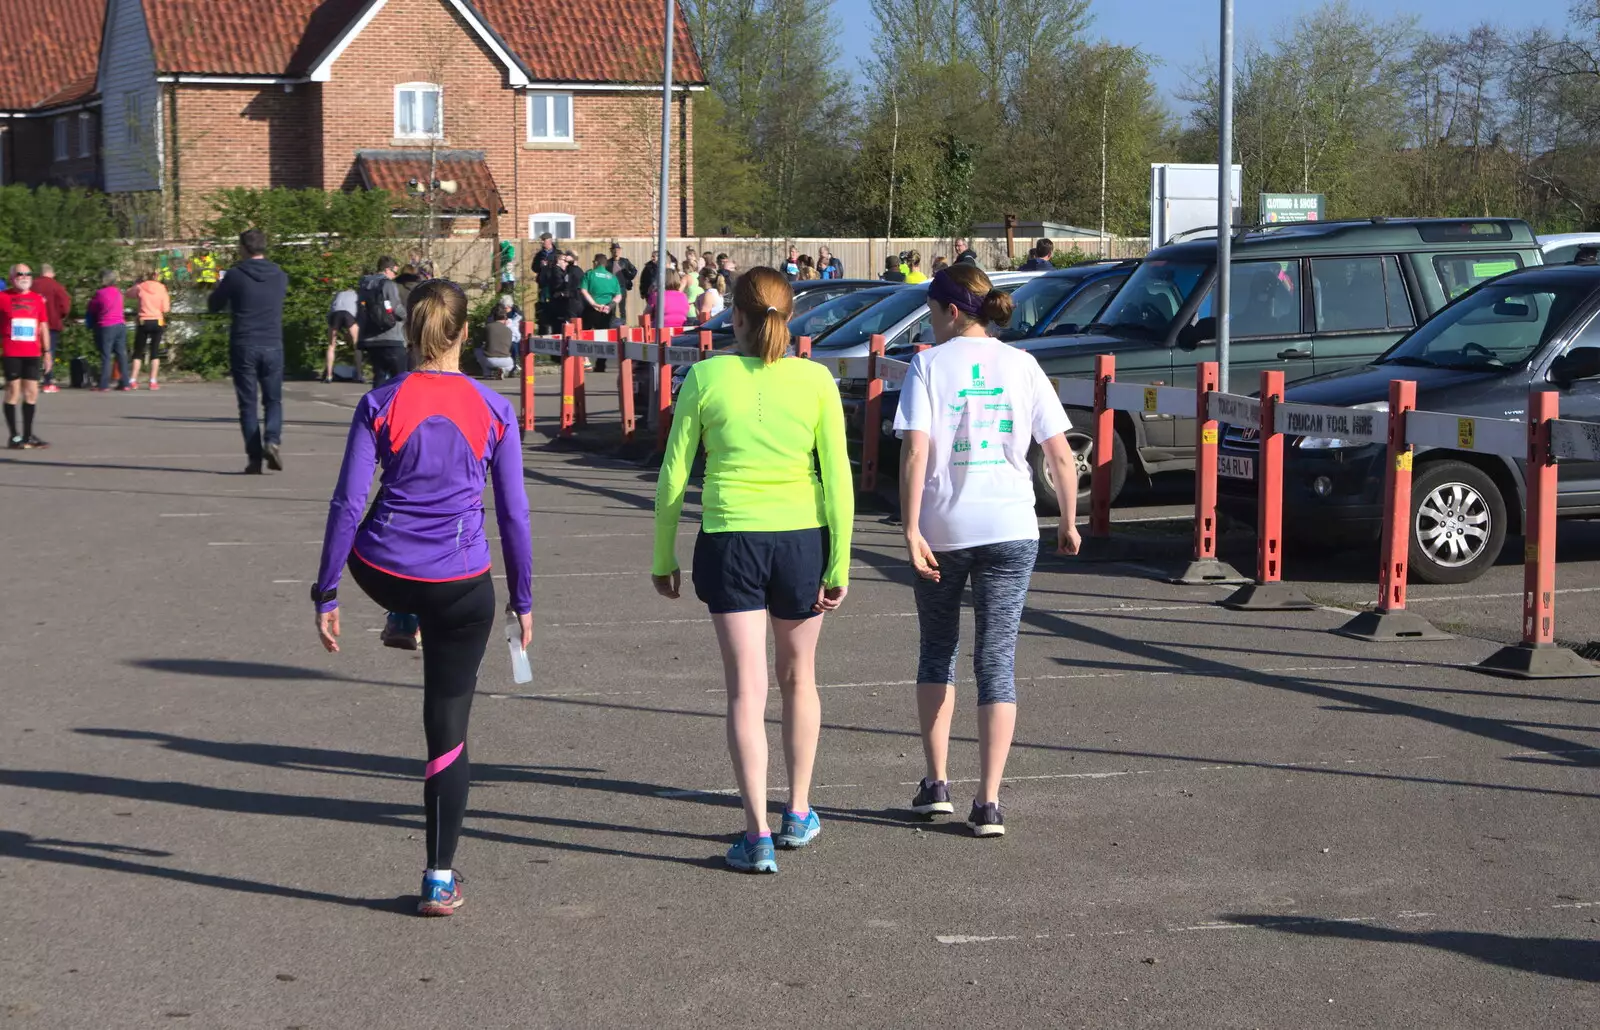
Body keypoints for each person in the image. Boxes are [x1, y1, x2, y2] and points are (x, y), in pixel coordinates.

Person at [311, 277, 533, 917]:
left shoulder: (379, 401)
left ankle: (400, 612)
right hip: (461, 585)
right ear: (465, 334)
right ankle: (439, 875)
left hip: (380, 569)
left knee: (388, 536)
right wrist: (523, 598)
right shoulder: (494, 408)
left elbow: (349, 502)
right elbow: (514, 515)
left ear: (410, 332)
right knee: (447, 731)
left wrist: (326, 590)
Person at [652, 267, 853, 874]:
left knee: (747, 687)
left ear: (734, 318)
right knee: (800, 678)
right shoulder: (817, 378)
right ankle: (798, 811)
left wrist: (663, 555)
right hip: (801, 539)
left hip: (730, 537)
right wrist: (839, 558)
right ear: (790, 319)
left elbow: (673, 475)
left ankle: (757, 833)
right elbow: (837, 476)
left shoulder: (705, 375)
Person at [894, 264, 1081, 838]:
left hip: (944, 529)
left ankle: (936, 784)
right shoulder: (1023, 365)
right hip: (1011, 526)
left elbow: (916, 454)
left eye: (930, 309)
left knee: (938, 651)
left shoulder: (926, 365)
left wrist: (909, 528)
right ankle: (989, 801)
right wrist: (1069, 522)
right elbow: (1061, 453)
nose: (928, 320)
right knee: (996, 660)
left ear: (952, 311)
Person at [208, 229, 289, 475]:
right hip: (273, 343)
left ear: (243, 248)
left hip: (244, 343)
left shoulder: (235, 275)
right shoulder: (280, 275)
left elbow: (214, 306)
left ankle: (254, 459)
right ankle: (272, 440)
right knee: (273, 399)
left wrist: (218, 287)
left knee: (248, 403)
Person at [2, 264, 50, 449]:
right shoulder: (3, 297)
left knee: (31, 393)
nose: (24, 277)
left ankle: (28, 435)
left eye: (27, 274)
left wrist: (47, 352)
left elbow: (43, 325)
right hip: (12, 352)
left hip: (32, 353)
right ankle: (14, 436)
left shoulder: (37, 299)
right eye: (20, 274)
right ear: (12, 276)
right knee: (13, 392)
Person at [358, 257, 408, 389]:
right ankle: (396, 408)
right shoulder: (388, 284)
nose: (395, 276)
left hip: (370, 338)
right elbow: (396, 308)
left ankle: (377, 407)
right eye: (394, 272)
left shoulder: (364, 285)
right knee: (400, 379)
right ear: (387, 269)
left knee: (379, 376)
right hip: (391, 336)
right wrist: (409, 317)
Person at [87, 269, 130, 393]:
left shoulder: (100, 293)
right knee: (121, 354)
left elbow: (93, 308)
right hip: (120, 325)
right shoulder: (118, 293)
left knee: (106, 356)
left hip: (107, 325)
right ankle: (125, 382)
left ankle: (104, 384)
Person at [129, 271, 172, 390]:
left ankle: (133, 380)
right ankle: (153, 381)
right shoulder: (162, 288)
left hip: (143, 321)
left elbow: (128, 294)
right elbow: (166, 308)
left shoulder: (140, 287)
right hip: (157, 321)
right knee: (155, 351)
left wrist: (136, 285)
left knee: (138, 351)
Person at [581, 253, 622, 373]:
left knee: (582, 335)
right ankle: (600, 365)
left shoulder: (589, 274)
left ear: (596, 262)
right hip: (606, 312)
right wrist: (609, 306)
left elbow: (583, 290)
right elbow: (618, 295)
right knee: (603, 338)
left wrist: (594, 304)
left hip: (590, 310)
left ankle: (585, 361)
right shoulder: (612, 277)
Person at [34, 263, 69, 394]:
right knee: (49, 351)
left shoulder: (32, 285)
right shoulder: (56, 286)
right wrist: (61, 315)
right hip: (51, 324)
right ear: (51, 273)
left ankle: (32, 378)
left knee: (35, 351)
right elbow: (65, 305)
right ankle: (48, 381)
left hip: (34, 323)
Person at [325, 285, 362, 384]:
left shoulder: (338, 294)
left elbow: (331, 310)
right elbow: (359, 312)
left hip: (335, 314)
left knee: (331, 345)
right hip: (349, 314)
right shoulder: (356, 295)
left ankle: (328, 375)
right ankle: (359, 375)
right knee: (357, 345)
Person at [607, 243, 638, 325]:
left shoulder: (625, 261)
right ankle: (612, 324)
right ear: (611, 251)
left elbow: (634, 270)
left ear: (620, 251)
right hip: (611, 288)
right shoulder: (608, 263)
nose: (616, 251)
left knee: (622, 308)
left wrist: (629, 277)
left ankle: (623, 324)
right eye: (614, 250)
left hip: (622, 287)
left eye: (618, 250)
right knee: (612, 307)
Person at [479, 313, 515, 379]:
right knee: (511, 365)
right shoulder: (509, 330)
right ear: (505, 320)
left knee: (478, 350)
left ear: (493, 318)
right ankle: (503, 370)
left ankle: (487, 373)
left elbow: (481, 341)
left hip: (490, 360)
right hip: (506, 361)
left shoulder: (488, 327)